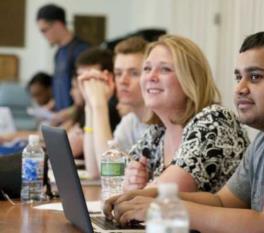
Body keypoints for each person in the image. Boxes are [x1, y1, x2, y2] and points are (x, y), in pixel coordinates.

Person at [104, 29, 264, 233]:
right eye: (238, 77)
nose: (240, 88)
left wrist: (162, 209)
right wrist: (150, 196)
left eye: (255, 77)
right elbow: (223, 201)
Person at [119, 34, 249, 193]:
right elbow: (115, 186)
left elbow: (165, 196)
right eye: (147, 68)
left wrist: (132, 193)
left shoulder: (215, 120)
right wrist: (128, 184)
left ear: (191, 78)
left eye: (165, 69)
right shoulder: (156, 134)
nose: (150, 77)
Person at [78, 37, 149, 178]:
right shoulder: (130, 121)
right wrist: (89, 105)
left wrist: (99, 105)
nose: (123, 80)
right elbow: (95, 171)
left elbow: (110, 173)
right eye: (118, 73)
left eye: (134, 73)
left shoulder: (160, 124)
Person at [36, 4, 89, 112]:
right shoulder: (58, 53)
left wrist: (69, 114)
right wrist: (50, 106)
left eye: (44, 30)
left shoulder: (82, 51)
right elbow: (60, 88)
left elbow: (88, 95)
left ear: (58, 24)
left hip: (79, 120)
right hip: (62, 118)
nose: (43, 35)